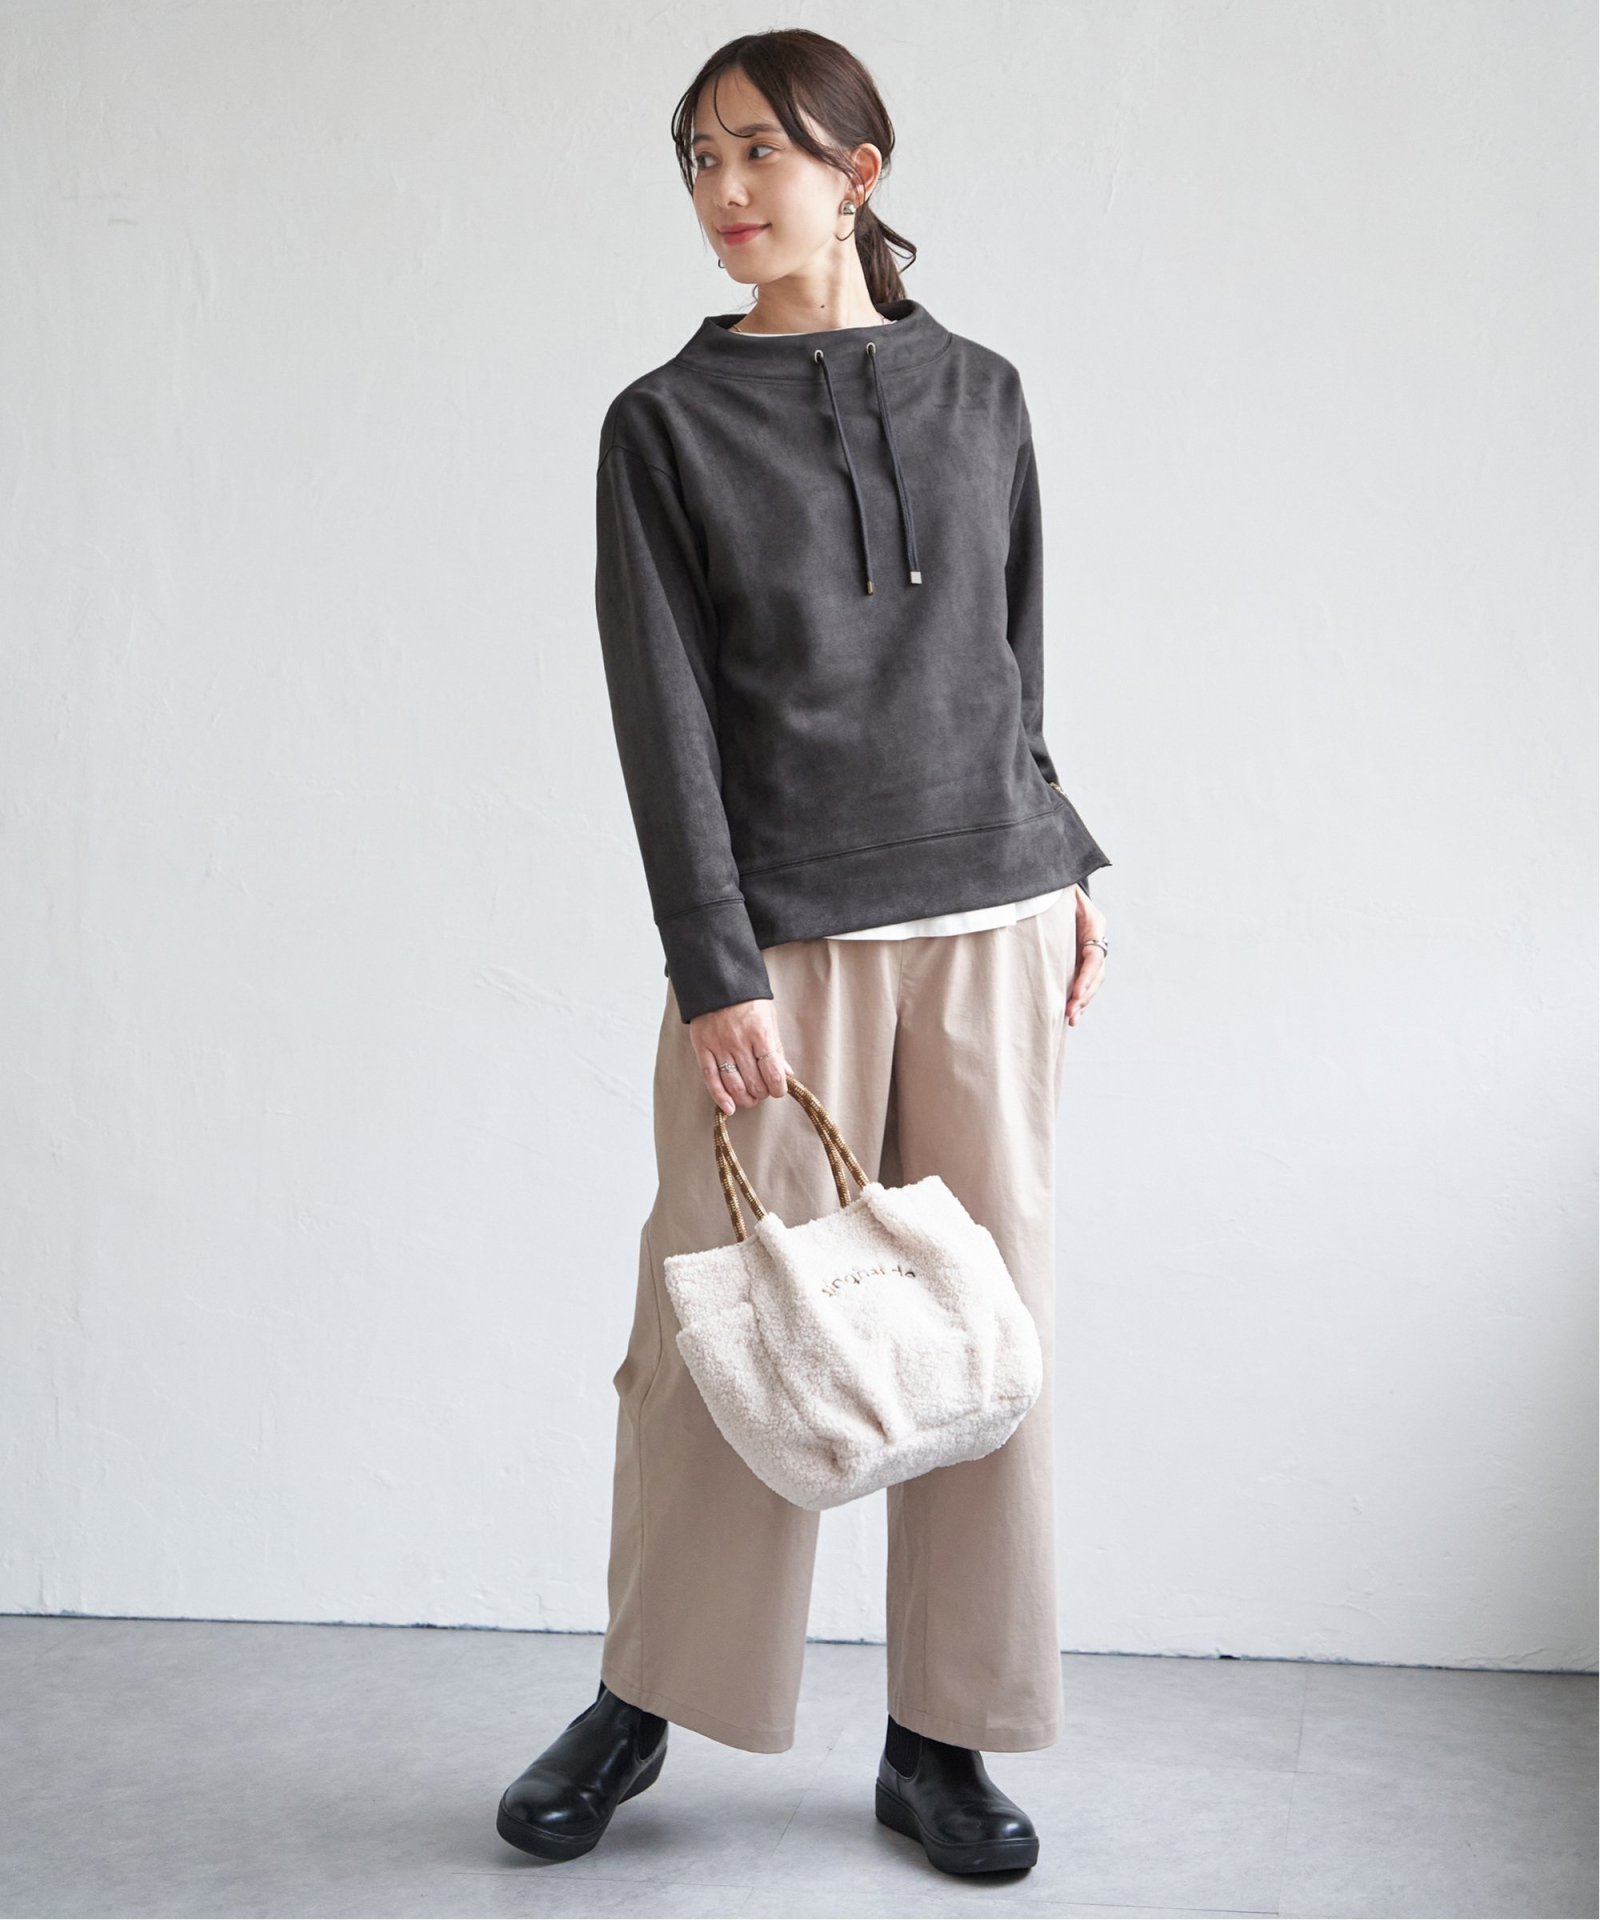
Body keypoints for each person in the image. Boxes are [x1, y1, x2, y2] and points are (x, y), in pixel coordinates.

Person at [496, 27, 1112, 1878]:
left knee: (987, 1336)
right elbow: (663, 716)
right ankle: (644, 1698)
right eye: (698, 159)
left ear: (859, 166)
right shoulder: (664, 427)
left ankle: (946, 1739)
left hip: (993, 915)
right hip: (781, 940)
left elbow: (1007, 659)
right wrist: (714, 966)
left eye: (758, 149)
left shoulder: (984, 394)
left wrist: (1067, 852)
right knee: (718, 1318)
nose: (724, 190)